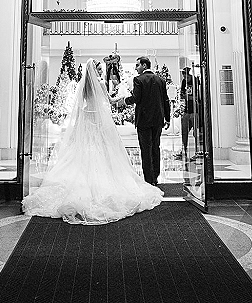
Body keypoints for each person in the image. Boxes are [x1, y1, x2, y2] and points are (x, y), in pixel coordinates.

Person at [22, 58, 163, 225]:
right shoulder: (101, 85)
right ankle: (151, 178)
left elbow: (80, 105)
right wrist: (120, 99)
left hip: (87, 119)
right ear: (95, 70)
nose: (102, 71)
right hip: (98, 121)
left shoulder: (84, 86)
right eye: (99, 68)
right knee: (106, 151)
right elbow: (109, 102)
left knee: (84, 152)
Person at [116, 56, 170, 186]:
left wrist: (124, 100)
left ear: (144, 66)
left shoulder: (138, 80)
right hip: (157, 120)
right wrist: (167, 118)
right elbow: (165, 100)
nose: (136, 68)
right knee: (156, 148)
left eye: (137, 65)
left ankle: (148, 180)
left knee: (145, 149)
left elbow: (136, 98)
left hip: (144, 120)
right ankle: (155, 177)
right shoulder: (160, 80)